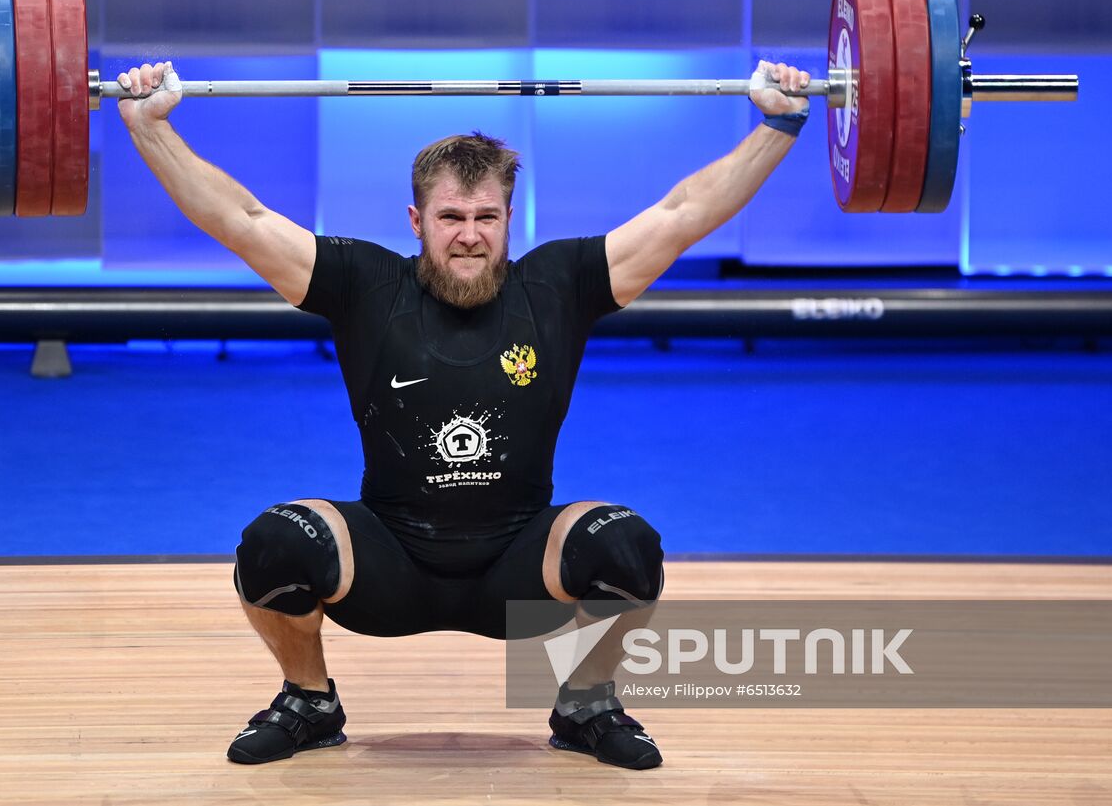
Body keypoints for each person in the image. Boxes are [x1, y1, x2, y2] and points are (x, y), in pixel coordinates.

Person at [117, 59, 811, 770]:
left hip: (521, 571)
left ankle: (586, 703)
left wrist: (778, 124)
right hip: (387, 560)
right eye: (451, 217)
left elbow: (683, 214)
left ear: (511, 218)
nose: (470, 235)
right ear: (417, 220)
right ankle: (308, 699)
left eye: (486, 217)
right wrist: (150, 128)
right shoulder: (365, 283)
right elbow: (240, 219)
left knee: (626, 544)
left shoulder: (559, 284)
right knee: (274, 543)